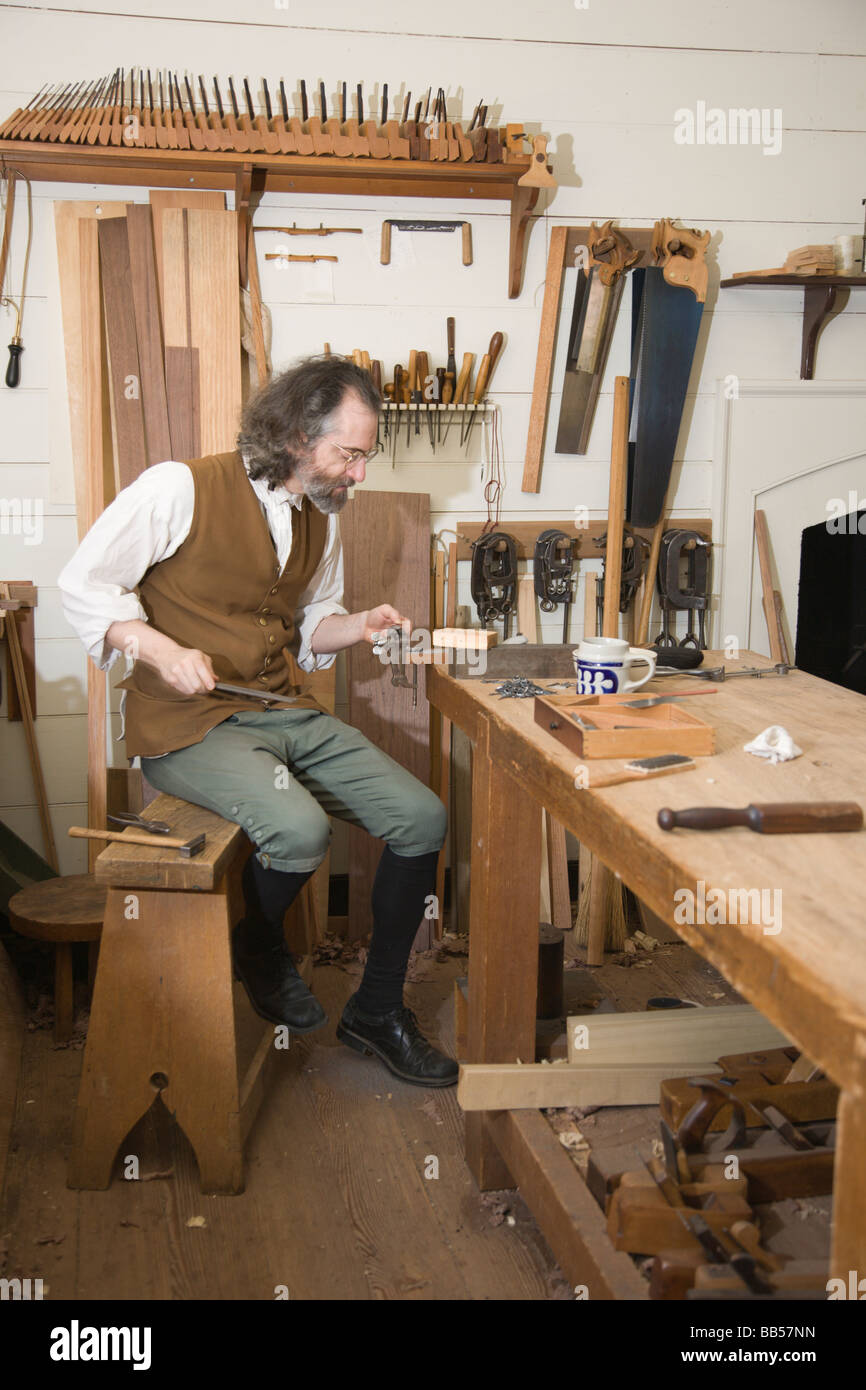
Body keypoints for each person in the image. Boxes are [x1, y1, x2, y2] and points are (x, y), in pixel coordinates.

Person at [59, 354, 456, 1088]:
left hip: (283, 709)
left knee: (421, 817)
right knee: (300, 831)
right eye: (351, 454)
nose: (360, 475)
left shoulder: (317, 518)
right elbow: (84, 581)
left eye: (365, 457)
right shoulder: (179, 489)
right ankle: (257, 941)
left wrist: (360, 623)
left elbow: (312, 627)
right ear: (300, 435)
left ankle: (374, 1012)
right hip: (189, 723)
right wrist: (154, 645)